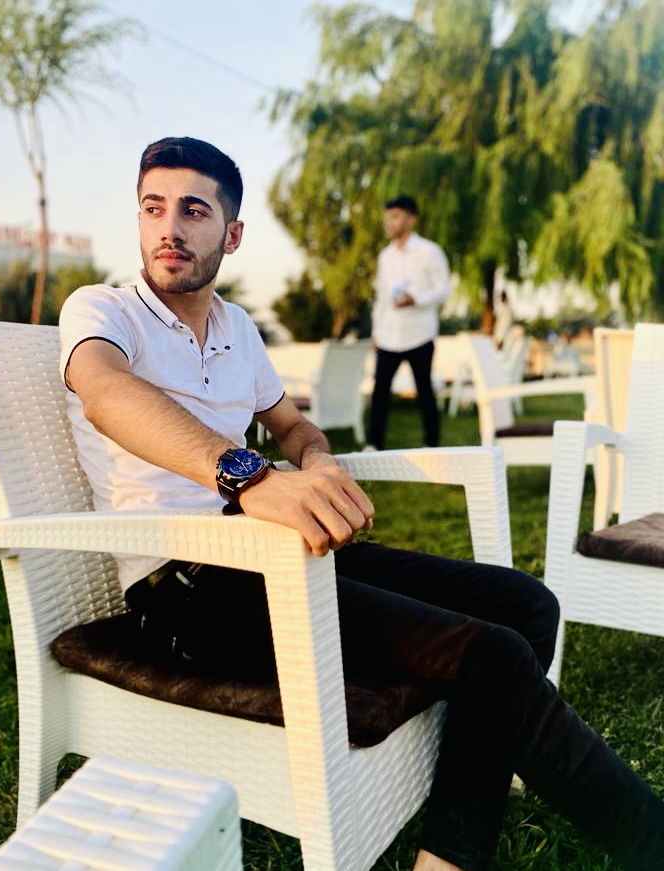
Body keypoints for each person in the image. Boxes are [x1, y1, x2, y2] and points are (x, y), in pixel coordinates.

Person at [59, 136, 664, 871]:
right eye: (153, 208)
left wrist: (316, 461)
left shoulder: (237, 328)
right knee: (493, 655)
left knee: (526, 603)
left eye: (193, 210)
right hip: (188, 585)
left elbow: (295, 426)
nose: (169, 228)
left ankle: (448, 851)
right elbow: (104, 392)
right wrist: (252, 477)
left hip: (279, 551)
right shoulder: (103, 310)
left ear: (232, 233)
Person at [366, 195, 450, 450]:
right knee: (380, 392)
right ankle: (374, 444)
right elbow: (382, 297)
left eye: (395, 216)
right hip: (389, 336)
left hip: (419, 334)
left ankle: (432, 445)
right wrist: (376, 333)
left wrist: (417, 299)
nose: (389, 222)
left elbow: (443, 289)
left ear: (411, 219)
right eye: (387, 217)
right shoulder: (385, 256)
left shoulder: (429, 251)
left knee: (424, 391)